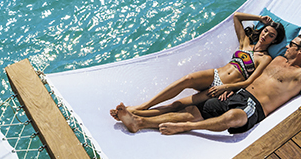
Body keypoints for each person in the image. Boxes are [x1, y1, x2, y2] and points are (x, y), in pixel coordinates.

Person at [113, 34, 301, 135]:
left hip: (254, 106)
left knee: (234, 117)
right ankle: (140, 121)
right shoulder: (278, 59)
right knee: (192, 111)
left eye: (292, 45)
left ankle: (186, 127)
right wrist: (233, 89)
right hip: (238, 94)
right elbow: (253, 79)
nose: (287, 46)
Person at [110, 12, 284, 120]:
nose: (265, 35)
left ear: (274, 41)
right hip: (215, 74)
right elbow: (237, 17)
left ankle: (133, 114)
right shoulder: (245, 43)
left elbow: (250, 82)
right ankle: (142, 106)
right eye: (265, 30)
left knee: (177, 105)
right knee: (186, 79)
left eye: (271, 35)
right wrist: (260, 18)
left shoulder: (265, 59)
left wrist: (227, 88)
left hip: (222, 87)